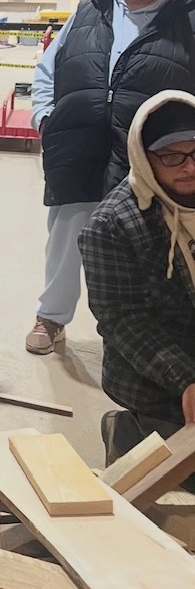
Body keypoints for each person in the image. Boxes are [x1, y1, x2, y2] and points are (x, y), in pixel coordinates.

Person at [27, 0, 195, 356]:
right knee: (66, 233)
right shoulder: (90, 10)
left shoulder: (188, 18)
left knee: (152, 239)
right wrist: (46, 119)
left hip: (151, 153)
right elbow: (47, 70)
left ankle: (145, 334)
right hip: (79, 143)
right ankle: (51, 316)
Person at [80, 91, 195, 469]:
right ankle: (128, 430)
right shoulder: (112, 225)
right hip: (158, 376)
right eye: (172, 156)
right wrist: (186, 380)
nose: (189, 168)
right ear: (143, 158)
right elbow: (124, 320)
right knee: (170, 478)